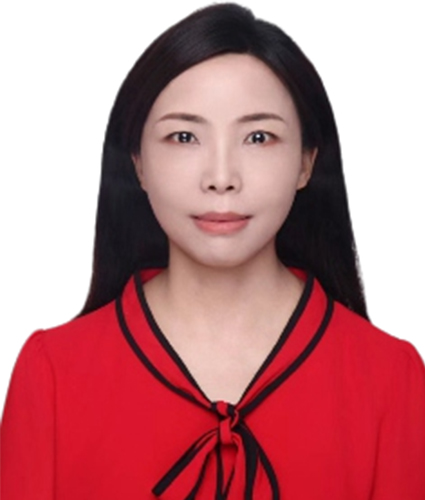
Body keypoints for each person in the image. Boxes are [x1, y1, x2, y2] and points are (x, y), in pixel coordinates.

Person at [1, 3, 424, 499]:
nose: (221, 178)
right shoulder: (52, 373)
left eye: (259, 137)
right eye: (184, 136)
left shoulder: (391, 378)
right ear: (138, 163)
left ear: (307, 162)